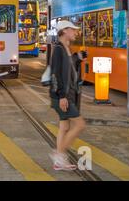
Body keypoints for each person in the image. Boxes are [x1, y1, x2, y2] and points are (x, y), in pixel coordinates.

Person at [48, 20, 87, 171]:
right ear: (64, 31)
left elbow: (69, 69)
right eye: (73, 30)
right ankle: (59, 154)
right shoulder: (58, 49)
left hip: (67, 94)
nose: (75, 32)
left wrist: (78, 58)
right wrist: (62, 96)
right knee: (80, 124)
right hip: (62, 96)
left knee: (64, 126)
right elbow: (55, 74)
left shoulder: (66, 48)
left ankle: (59, 162)